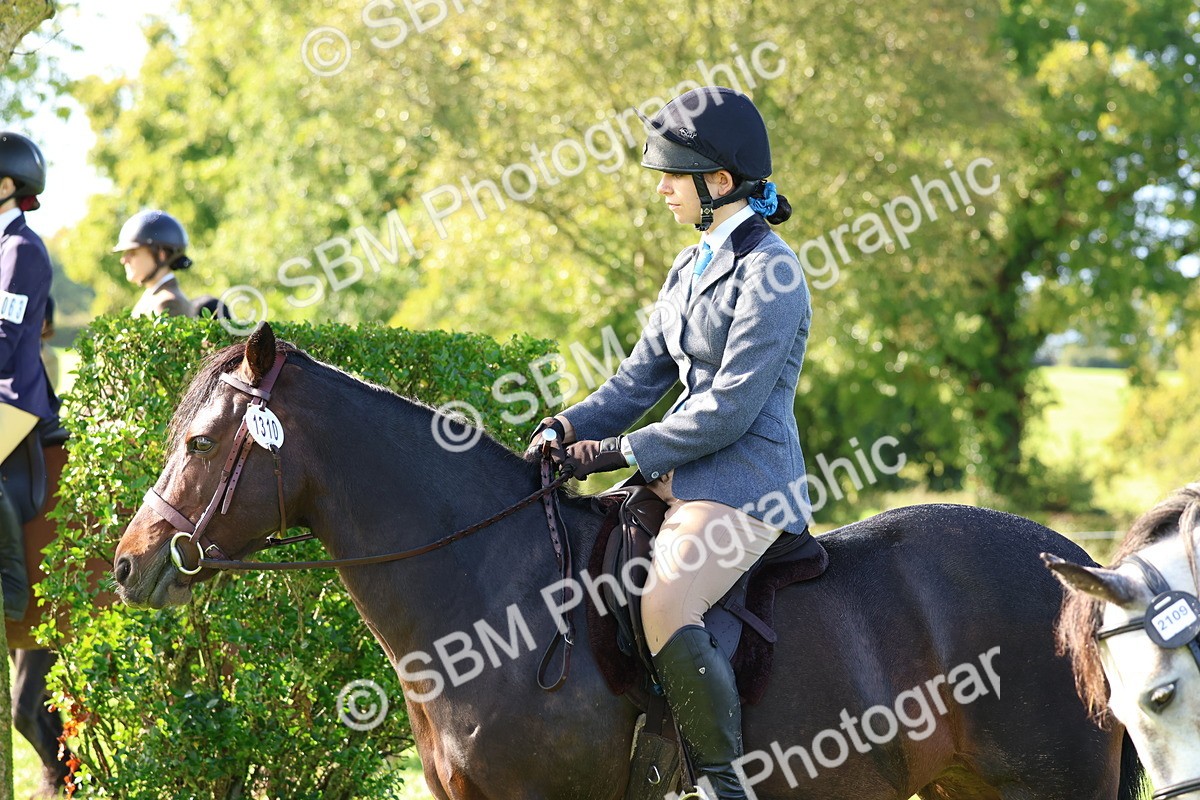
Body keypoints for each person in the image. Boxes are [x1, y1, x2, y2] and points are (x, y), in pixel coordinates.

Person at [525, 87, 812, 800]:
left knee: (664, 604)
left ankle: (721, 785)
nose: (660, 189)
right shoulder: (689, 268)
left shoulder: (772, 273)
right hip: (677, 478)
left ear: (720, 182)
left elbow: (728, 411)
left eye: (673, 176)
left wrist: (619, 452)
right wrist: (568, 425)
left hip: (746, 483)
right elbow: (637, 379)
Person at [0, 130, 59, 625]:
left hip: (14, 395)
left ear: (6, 185)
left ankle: (12, 585)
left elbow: (5, 335)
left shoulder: (22, 249)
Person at [113, 209, 194, 318]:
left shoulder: (169, 303)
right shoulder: (153, 295)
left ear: (161, 255)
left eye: (133, 253)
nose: (124, 260)